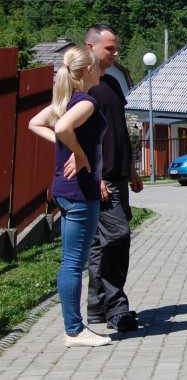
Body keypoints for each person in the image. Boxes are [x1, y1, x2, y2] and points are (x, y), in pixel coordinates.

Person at [29, 46, 112, 347]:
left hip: (67, 190)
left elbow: (35, 124)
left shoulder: (64, 100)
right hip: (79, 191)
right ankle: (74, 330)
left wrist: (66, 148)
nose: (101, 69)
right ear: (88, 70)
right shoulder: (85, 103)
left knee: (71, 261)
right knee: (74, 263)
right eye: (97, 66)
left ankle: (73, 328)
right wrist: (76, 152)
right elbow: (62, 127)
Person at [83, 24, 142, 332]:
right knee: (118, 238)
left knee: (100, 244)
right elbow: (78, 138)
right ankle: (116, 308)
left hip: (118, 175)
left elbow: (120, 129)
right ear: (90, 47)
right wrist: (96, 176)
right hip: (101, 179)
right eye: (110, 48)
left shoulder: (113, 84)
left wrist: (131, 167)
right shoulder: (82, 86)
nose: (116, 53)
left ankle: (96, 307)